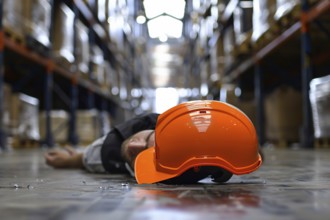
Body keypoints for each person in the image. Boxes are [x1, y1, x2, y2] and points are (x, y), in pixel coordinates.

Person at [45, 100, 263, 184]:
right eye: (150, 141)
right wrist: (71, 160)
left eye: (148, 155)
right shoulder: (113, 145)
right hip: (110, 146)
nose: (133, 147)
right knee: (90, 155)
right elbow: (87, 158)